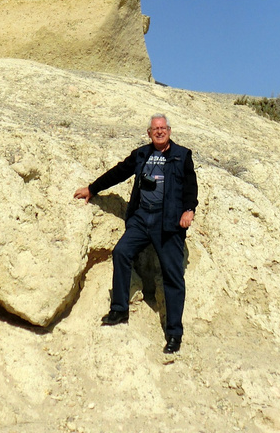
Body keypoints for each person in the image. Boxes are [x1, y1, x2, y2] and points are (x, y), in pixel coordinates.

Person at [74, 114, 198, 353]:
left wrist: (189, 210)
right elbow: (119, 172)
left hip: (168, 221)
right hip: (142, 217)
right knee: (121, 252)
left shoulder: (182, 155)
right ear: (149, 133)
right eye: (155, 129)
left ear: (169, 131)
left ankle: (174, 334)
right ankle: (119, 310)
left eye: (163, 128)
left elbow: (191, 186)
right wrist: (92, 188)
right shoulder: (142, 154)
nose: (159, 132)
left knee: (172, 275)